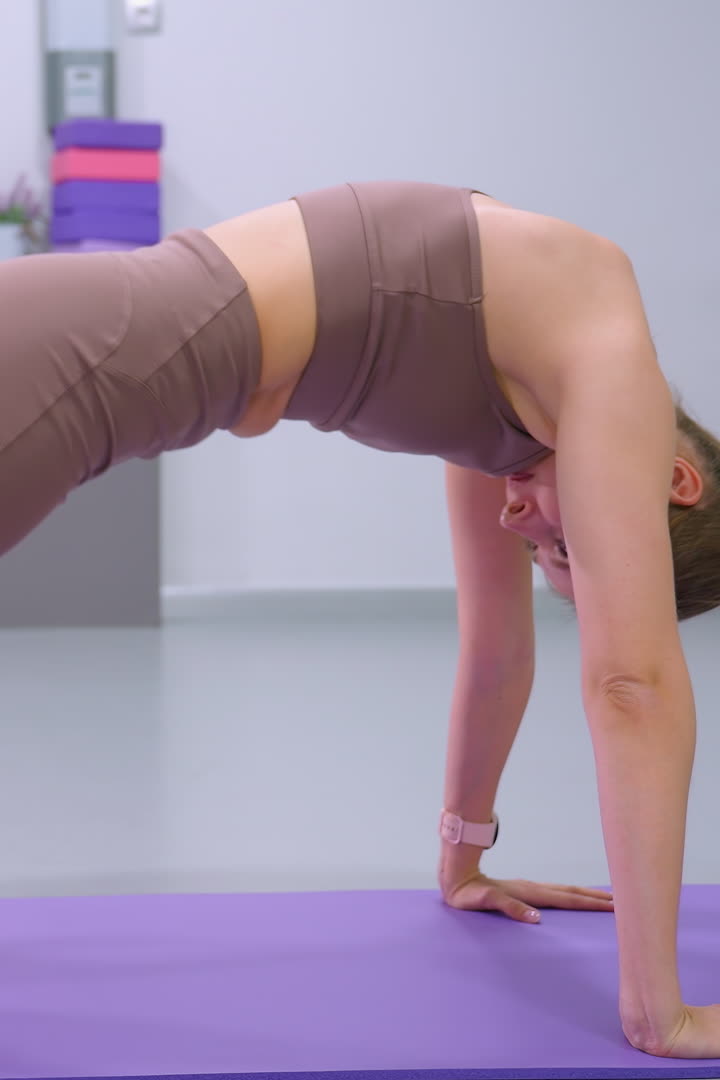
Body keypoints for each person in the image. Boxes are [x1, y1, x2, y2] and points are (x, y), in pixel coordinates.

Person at [1, 179, 719, 1059]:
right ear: (676, 483)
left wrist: (463, 861)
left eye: (545, 557)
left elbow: (497, 650)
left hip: (83, 359)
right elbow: (632, 686)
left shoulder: (523, 396)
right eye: (567, 546)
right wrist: (660, 1014)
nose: (517, 525)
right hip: (78, 360)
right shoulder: (605, 344)